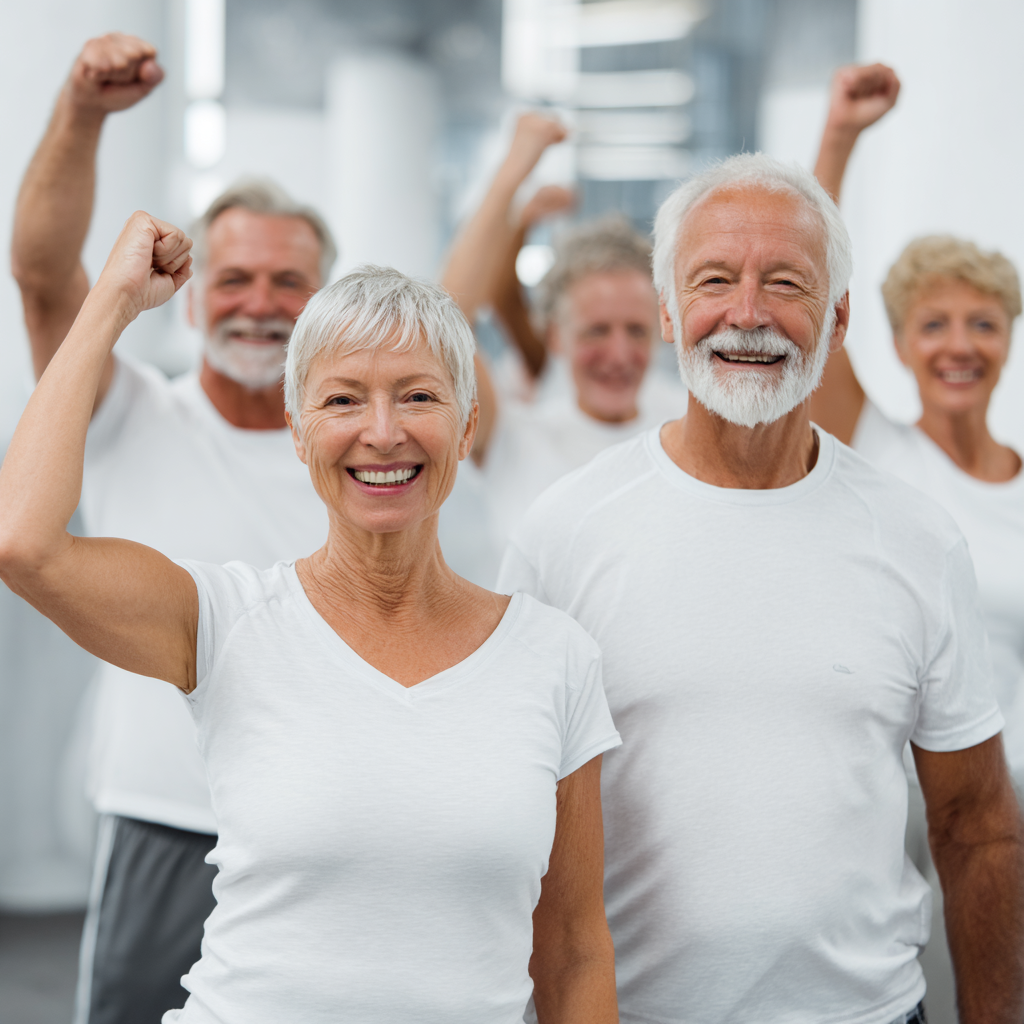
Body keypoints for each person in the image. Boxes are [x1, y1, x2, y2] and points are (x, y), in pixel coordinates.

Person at [0, 213, 621, 1023]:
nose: (382, 433)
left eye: (418, 396)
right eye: (343, 400)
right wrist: (112, 304)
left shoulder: (555, 657)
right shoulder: (226, 622)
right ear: (299, 433)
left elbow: (573, 949)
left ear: (468, 425)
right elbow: (25, 546)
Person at [499, 151, 1024, 1023]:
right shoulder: (564, 533)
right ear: (669, 309)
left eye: (786, 282)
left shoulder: (918, 539)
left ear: (838, 317)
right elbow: (512, 826)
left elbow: (977, 825)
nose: (748, 314)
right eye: (714, 280)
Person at [10, 34, 333, 1023]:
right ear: (191, 297)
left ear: (323, 301)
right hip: (167, 822)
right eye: (234, 278)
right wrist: (82, 111)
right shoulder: (130, 411)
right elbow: (41, 273)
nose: (261, 304)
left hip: (326, 824)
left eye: (288, 282)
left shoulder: (357, 453)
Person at [811, 62, 1024, 1016]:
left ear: (1008, 340)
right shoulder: (874, 447)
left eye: (983, 323)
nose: (959, 344)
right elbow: (812, 284)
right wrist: (840, 137)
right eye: (933, 324)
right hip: (897, 804)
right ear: (897, 343)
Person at [442, 113, 686, 546]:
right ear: (556, 336)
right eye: (596, 331)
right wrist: (515, 167)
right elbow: (444, 325)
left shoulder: (690, 427)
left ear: (662, 326)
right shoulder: (517, 439)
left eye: (636, 330)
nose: (619, 354)